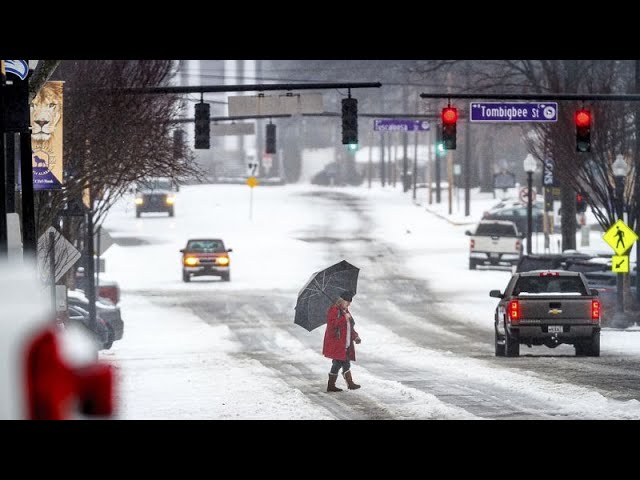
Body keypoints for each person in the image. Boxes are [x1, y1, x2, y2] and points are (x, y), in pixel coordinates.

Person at [322, 290, 361, 392]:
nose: (348, 305)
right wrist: (344, 318)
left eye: (349, 303)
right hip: (337, 344)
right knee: (338, 363)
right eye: (347, 302)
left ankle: (342, 384)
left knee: (343, 363)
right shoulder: (334, 310)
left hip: (346, 343)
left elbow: (349, 327)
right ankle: (342, 384)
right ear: (341, 301)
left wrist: (355, 337)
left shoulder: (345, 311)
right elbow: (332, 324)